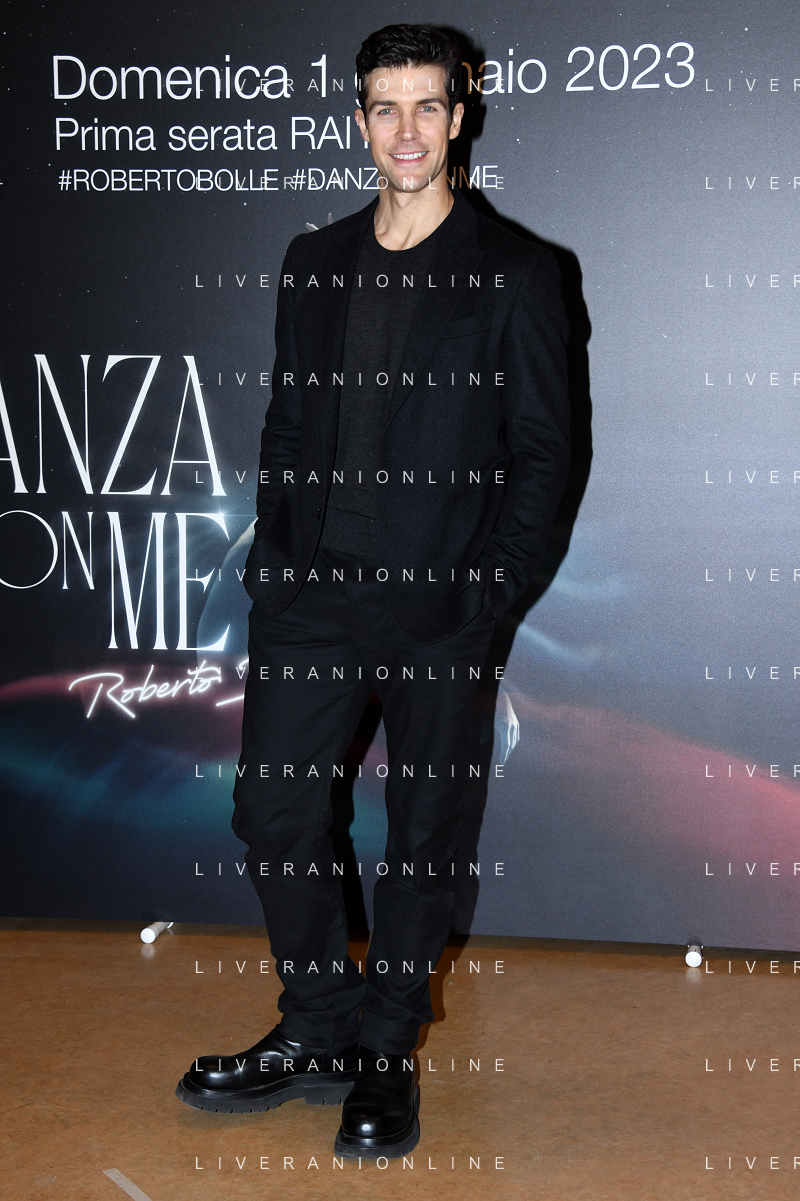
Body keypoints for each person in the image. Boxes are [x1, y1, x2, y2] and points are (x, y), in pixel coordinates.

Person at [177, 22, 570, 1159]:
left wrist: (489, 594)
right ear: (359, 121)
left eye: (426, 106)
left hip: (441, 606)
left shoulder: (518, 273)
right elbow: (288, 420)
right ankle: (317, 1022)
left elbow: (546, 453)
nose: (406, 130)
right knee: (272, 811)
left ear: (459, 118)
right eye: (384, 107)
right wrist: (274, 562)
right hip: (312, 596)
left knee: (422, 833)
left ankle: (385, 1049)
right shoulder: (314, 261)